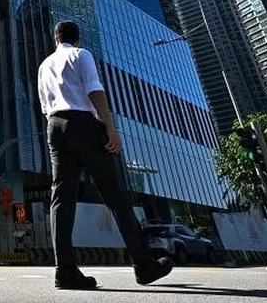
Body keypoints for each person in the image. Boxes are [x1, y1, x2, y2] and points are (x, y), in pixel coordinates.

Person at [37, 21, 173, 290]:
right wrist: (110, 127)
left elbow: (44, 107)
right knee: (114, 194)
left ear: (56, 38)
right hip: (83, 122)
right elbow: (94, 91)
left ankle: (65, 270)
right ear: (76, 39)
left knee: (61, 198)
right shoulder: (81, 54)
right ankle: (144, 264)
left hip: (54, 126)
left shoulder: (44, 65)